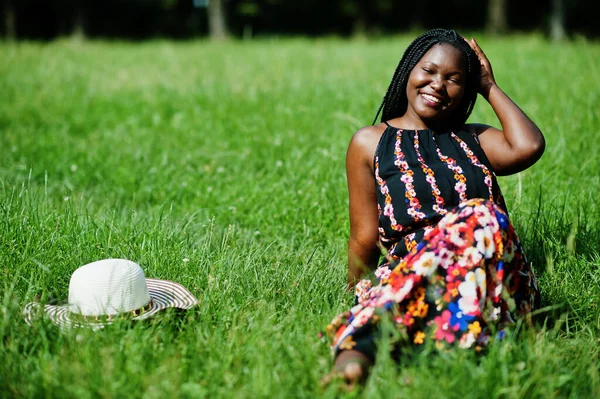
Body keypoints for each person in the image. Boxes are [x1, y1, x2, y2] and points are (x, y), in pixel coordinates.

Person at [321, 28, 545, 388]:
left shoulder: (474, 139)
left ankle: (420, 349)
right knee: (383, 299)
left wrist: (488, 85)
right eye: (429, 71)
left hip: (486, 273)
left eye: (454, 79)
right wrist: (355, 290)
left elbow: (529, 145)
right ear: (409, 70)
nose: (438, 85)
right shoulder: (370, 141)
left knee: (481, 215)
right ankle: (352, 363)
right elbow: (364, 236)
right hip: (411, 267)